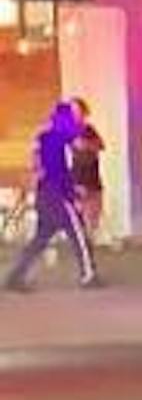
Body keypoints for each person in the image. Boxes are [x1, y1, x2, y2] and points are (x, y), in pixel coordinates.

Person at [5, 100, 97, 292]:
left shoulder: (44, 137)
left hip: (44, 192)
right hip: (58, 194)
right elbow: (60, 169)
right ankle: (88, 275)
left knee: (41, 238)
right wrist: (72, 193)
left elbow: (40, 165)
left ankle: (15, 276)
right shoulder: (59, 138)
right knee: (78, 232)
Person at [68, 98, 112, 249]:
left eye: (78, 111)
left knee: (94, 210)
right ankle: (82, 242)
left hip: (92, 175)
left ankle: (88, 239)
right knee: (79, 209)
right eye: (72, 111)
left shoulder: (89, 129)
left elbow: (101, 145)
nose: (76, 114)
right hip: (77, 176)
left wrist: (87, 145)